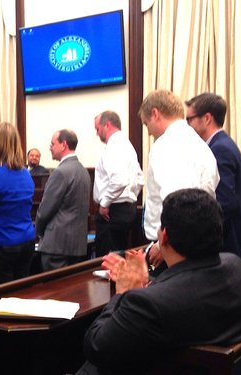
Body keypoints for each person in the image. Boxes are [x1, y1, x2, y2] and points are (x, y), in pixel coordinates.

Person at [77, 188, 241, 374]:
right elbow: (183, 287)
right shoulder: (236, 267)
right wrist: (145, 283)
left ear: (164, 236)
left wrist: (125, 291)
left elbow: (97, 347)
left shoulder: (147, 304)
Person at [139, 90, 219, 272]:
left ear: (155, 114)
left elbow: (176, 201)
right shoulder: (201, 145)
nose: (149, 133)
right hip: (198, 240)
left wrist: (162, 245)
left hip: (172, 248)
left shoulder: (166, 145)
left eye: (146, 124)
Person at [185, 93, 241, 259]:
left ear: (207, 118)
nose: (187, 125)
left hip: (225, 244)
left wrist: (201, 234)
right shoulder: (222, 144)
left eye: (190, 119)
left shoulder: (219, 149)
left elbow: (224, 202)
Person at [0, 122, 36, 286]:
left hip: (0, 244)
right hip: (26, 241)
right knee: (21, 292)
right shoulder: (26, 175)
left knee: (3, 298)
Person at [35, 129, 91, 271]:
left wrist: (39, 232)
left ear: (64, 144)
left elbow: (45, 211)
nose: (50, 148)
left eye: (52, 144)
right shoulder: (83, 172)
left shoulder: (60, 172)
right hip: (77, 246)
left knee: (53, 292)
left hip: (56, 247)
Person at [93, 111, 144, 257]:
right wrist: (130, 196)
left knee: (107, 263)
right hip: (126, 209)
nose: (97, 134)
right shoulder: (127, 145)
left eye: (97, 129)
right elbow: (140, 178)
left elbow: (119, 180)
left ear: (107, 125)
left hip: (111, 212)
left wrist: (105, 203)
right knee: (119, 259)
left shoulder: (113, 146)